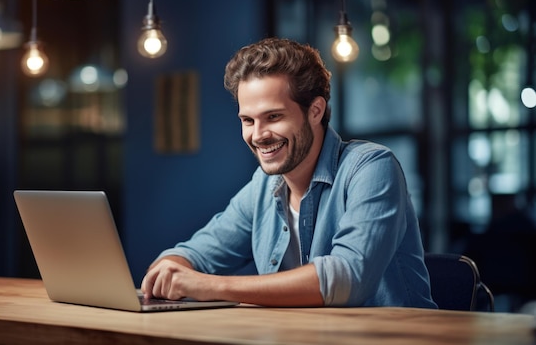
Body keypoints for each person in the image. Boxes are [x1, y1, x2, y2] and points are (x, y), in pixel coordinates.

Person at [141, 37, 437, 308]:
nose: (258, 135)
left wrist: (211, 286)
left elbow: (346, 278)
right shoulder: (265, 185)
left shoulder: (371, 168)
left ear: (315, 111)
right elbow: (196, 253)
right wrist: (170, 268)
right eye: (248, 120)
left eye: (273, 117)